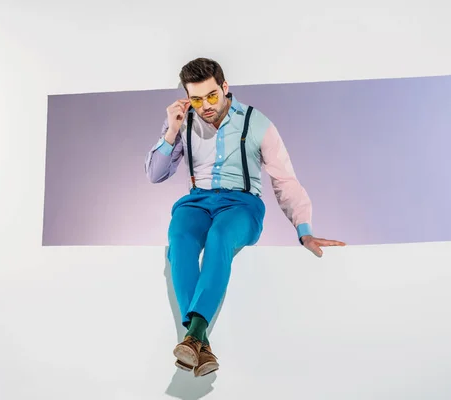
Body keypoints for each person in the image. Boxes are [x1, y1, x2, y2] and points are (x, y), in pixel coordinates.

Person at [145, 58, 345, 377]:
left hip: (241, 204)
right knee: (179, 241)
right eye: (196, 99)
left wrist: (304, 229)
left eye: (212, 95)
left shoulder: (257, 122)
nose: (205, 106)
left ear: (225, 87)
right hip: (196, 202)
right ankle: (201, 344)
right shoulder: (183, 121)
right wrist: (171, 129)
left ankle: (194, 335)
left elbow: (284, 180)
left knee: (220, 238)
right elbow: (155, 175)